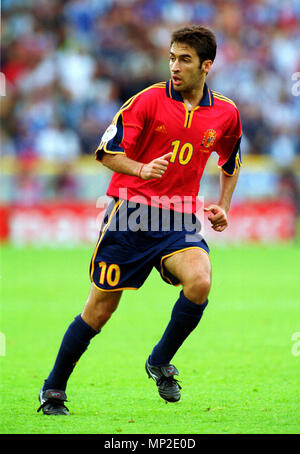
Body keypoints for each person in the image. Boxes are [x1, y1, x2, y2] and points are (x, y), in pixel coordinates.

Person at [37, 25, 242, 415]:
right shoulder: (146, 101)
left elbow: (230, 161)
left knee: (200, 280)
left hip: (178, 217)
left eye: (184, 59)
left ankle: (159, 360)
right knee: (99, 311)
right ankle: (53, 390)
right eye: (171, 57)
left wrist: (224, 204)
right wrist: (141, 169)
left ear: (206, 66)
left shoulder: (226, 113)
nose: (174, 66)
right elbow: (105, 152)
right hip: (130, 214)